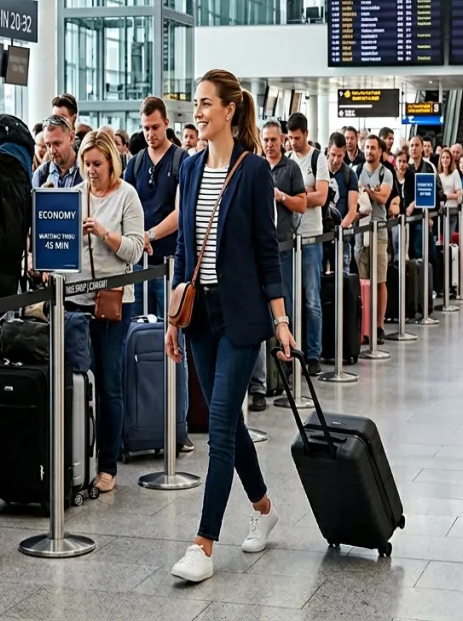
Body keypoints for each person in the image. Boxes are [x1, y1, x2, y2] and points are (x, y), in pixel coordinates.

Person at [166, 69, 295, 584]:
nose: (197, 112)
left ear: (229, 109)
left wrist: (280, 319)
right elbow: (183, 247)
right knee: (228, 422)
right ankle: (264, 508)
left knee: (219, 423)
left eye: (205, 103)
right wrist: (174, 318)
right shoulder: (190, 168)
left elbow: (267, 251)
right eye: (196, 104)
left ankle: (203, 544)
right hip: (199, 315)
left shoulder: (255, 171)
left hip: (241, 317)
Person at [68, 130, 144, 492]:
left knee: (109, 384)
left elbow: (135, 250)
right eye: (86, 164)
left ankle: (108, 465)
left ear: (112, 162)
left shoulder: (127, 196)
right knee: (79, 382)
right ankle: (78, 458)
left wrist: (103, 233)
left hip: (113, 302)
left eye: (97, 163)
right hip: (74, 300)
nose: (91, 170)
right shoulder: (75, 195)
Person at [125, 98, 193, 453]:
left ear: (167, 123)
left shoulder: (181, 161)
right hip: (139, 265)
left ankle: (178, 423)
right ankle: (143, 421)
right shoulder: (135, 163)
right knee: (139, 338)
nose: (150, 134)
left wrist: (148, 235)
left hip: (170, 263)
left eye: (155, 127)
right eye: (145, 128)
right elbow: (125, 203)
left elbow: (182, 213)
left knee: (174, 341)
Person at [248, 121, 305, 411]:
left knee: (285, 312)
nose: (269, 144)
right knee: (259, 317)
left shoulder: (291, 168)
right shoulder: (255, 168)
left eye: (274, 139)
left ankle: (288, 371)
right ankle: (260, 383)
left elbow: (302, 204)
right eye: (265, 139)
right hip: (257, 254)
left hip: (282, 249)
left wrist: (281, 196)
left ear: (281, 140)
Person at [285, 112, 328, 375]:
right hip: (289, 239)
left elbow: (321, 197)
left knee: (312, 299)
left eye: (297, 138)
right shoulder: (287, 160)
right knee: (289, 300)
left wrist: (295, 197)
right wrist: (302, 195)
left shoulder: (317, 158)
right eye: (290, 138)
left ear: (306, 134)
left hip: (311, 237)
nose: (293, 143)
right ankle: (290, 354)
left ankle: (313, 354)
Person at [357, 134, 393, 344]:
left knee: (379, 279)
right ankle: (364, 326)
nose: (369, 151)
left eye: (373, 148)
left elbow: (383, 198)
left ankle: (379, 325)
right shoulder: (357, 170)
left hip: (378, 231)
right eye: (367, 147)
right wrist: (372, 192)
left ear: (380, 151)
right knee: (362, 280)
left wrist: (367, 191)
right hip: (360, 231)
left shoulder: (385, 173)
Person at [325, 132, 359, 270]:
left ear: (345, 153)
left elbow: (352, 209)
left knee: (342, 274)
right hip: (321, 232)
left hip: (342, 234)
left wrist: (340, 228)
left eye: (339, 156)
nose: (335, 160)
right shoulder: (319, 170)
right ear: (328, 150)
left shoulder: (349, 174)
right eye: (333, 154)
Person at [32, 114, 82, 189]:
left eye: (57, 144)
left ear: (71, 138)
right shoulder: (40, 175)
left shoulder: (87, 172)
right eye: (48, 145)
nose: (52, 151)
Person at [439, 148, 463, 241]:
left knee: (449, 238)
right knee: (441, 238)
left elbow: (459, 194)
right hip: (441, 210)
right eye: (443, 157)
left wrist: (446, 196)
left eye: (447, 157)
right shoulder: (439, 174)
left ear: (450, 159)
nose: (445, 160)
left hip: (452, 209)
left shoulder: (455, 173)